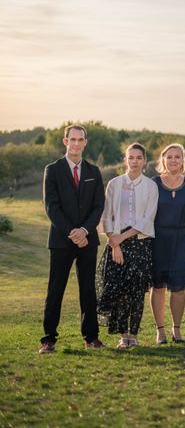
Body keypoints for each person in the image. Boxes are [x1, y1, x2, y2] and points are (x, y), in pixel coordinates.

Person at [39, 125, 105, 354]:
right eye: (72, 139)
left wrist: (84, 231)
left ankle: (91, 337)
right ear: (65, 141)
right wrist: (72, 233)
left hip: (88, 240)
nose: (76, 143)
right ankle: (48, 339)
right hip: (61, 240)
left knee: (88, 289)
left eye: (80, 139)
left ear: (85, 142)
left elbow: (99, 206)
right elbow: (51, 207)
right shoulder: (53, 170)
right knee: (55, 289)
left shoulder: (94, 171)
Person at [96, 143, 159, 349]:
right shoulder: (114, 184)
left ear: (144, 161)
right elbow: (106, 216)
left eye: (138, 157)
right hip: (116, 243)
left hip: (140, 243)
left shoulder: (150, 186)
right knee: (120, 292)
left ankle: (134, 334)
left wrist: (122, 239)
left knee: (137, 292)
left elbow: (147, 218)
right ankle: (123, 336)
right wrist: (115, 244)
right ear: (125, 160)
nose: (134, 161)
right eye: (130, 157)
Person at [150, 144, 185, 344]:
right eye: (170, 157)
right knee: (158, 286)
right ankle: (160, 331)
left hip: (181, 240)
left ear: (183, 160)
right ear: (163, 160)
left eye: (178, 157)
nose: (174, 160)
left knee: (178, 287)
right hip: (157, 239)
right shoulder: (154, 184)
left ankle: (176, 329)